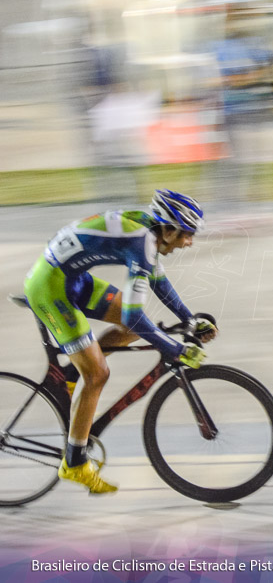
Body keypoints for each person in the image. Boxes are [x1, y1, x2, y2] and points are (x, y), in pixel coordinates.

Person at [22, 190, 217, 494]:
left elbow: (158, 282)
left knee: (133, 328)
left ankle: (71, 378)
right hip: (50, 288)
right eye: (187, 234)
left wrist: (190, 319)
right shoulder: (141, 243)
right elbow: (135, 314)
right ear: (169, 229)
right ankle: (73, 464)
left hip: (72, 277)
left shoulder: (148, 231)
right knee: (99, 374)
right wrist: (174, 348)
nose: (189, 242)